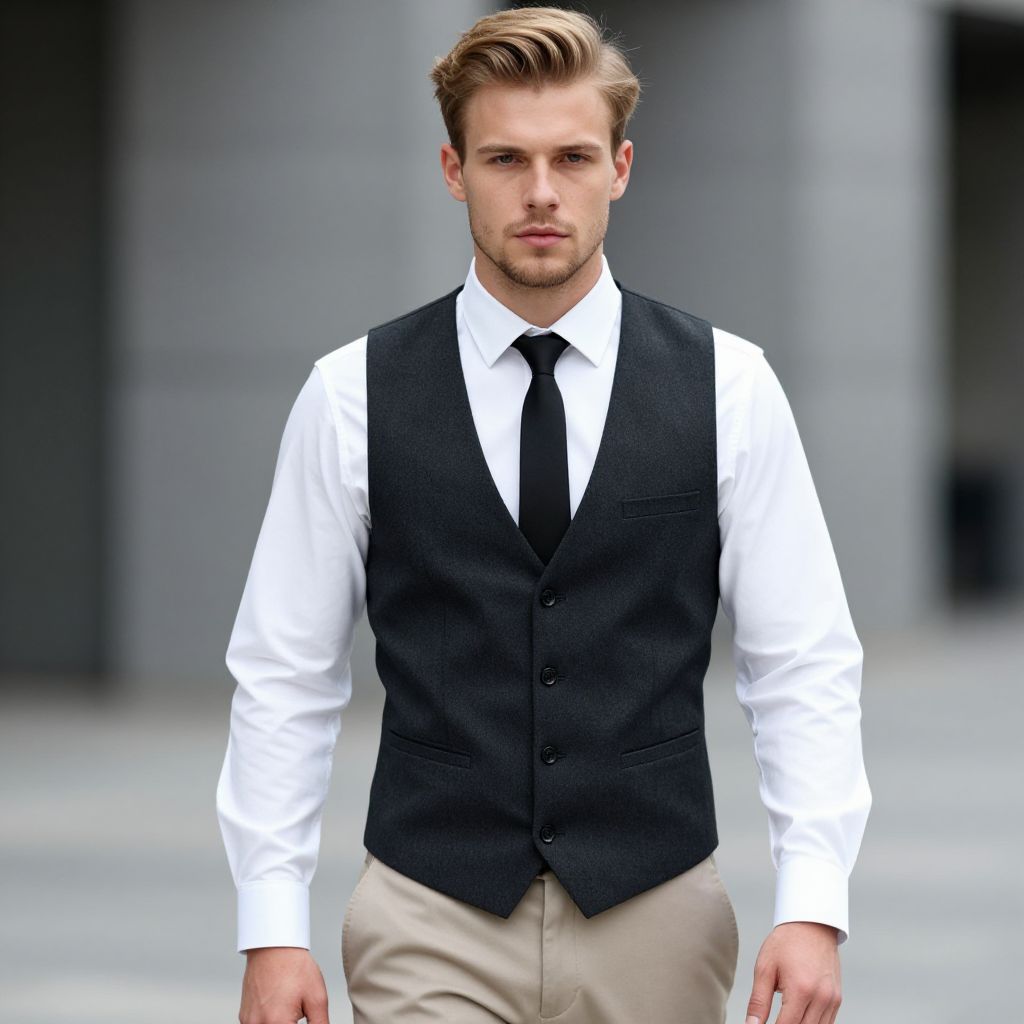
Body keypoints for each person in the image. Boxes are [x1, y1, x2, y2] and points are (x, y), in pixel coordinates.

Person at [216, 7, 871, 1024]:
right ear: (451, 169)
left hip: (654, 910)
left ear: (619, 166)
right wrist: (271, 926)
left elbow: (802, 660)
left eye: (570, 157)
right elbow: (284, 669)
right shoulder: (350, 393)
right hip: (429, 907)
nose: (538, 193)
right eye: (503, 158)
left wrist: (813, 904)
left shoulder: (727, 385)